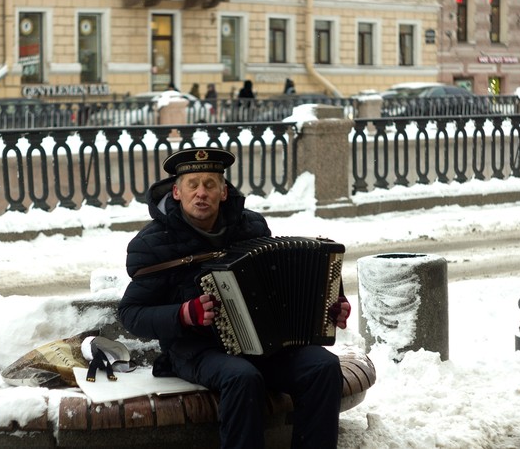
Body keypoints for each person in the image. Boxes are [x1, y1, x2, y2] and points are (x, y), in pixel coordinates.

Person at [118, 147, 351, 449]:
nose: (201, 193)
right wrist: (183, 314)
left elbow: (284, 277)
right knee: (243, 378)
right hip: (196, 350)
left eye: (210, 184)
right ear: (176, 192)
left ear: (224, 191)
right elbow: (131, 313)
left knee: (323, 367)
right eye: (193, 184)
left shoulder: (250, 226)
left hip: (263, 344)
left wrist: (330, 303)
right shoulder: (152, 244)